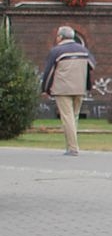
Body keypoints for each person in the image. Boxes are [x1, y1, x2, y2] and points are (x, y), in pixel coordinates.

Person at [40, 25, 94, 156]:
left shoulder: (56, 51)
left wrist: (45, 88)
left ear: (60, 37)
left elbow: (49, 72)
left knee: (67, 117)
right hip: (79, 88)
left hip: (62, 89)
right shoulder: (83, 50)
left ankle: (73, 148)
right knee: (74, 117)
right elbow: (91, 65)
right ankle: (72, 145)